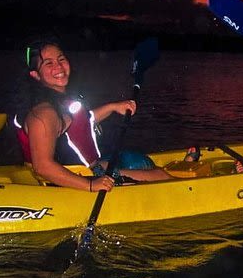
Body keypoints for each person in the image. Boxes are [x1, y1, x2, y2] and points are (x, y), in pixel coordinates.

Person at [13, 38, 173, 193]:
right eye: (49, 63)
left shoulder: (59, 100)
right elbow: (42, 167)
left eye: (61, 59)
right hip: (74, 181)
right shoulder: (43, 113)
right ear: (35, 75)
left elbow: (81, 123)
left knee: (139, 161)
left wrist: (113, 107)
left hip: (89, 169)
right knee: (161, 176)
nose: (59, 67)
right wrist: (90, 186)